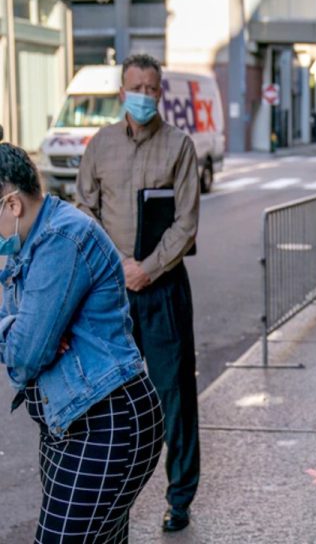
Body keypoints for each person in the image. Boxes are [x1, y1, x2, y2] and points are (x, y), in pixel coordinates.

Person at [0, 143, 164, 542]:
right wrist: (24, 328)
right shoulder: (31, 243)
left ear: (12, 204)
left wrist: (26, 332)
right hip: (69, 423)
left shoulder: (62, 239)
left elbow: (23, 358)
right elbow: (23, 339)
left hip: (105, 422)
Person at [75, 53, 201, 532]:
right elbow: (84, 209)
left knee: (175, 396)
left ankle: (179, 498)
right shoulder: (100, 146)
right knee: (110, 399)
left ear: (159, 93)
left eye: (151, 88)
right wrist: (117, 266)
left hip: (163, 290)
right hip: (111, 294)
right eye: (136, 88)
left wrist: (146, 269)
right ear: (121, 92)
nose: (143, 96)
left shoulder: (179, 146)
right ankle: (111, 496)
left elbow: (186, 223)